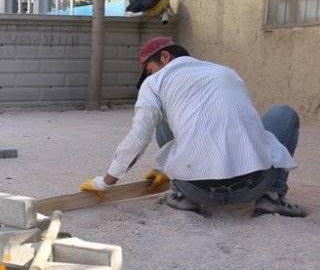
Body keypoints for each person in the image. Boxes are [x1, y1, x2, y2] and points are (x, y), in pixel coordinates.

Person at [80, 36, 307, 217]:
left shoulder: (154, 83)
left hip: (197, 190)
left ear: (165, 57)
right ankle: (271, 197)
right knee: (282, 114)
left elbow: (139, 137)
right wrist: (162, 170)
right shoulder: (226, 73)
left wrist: (104, 182)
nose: (149, 75)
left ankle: (182, 195)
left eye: (149, 69)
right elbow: (243, 128)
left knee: (161, 118)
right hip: (253, 185)